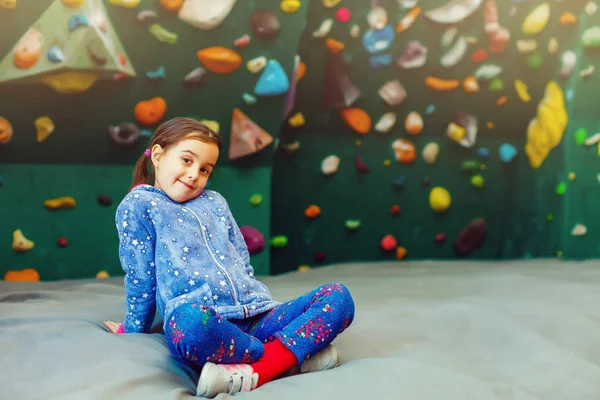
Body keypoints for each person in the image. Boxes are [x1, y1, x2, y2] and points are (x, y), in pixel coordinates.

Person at [103, 117, 355, 398]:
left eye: (205, 169)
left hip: (258, 316)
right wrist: (133, 327)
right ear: (159, 156)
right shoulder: (140, 205)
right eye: (187, 160)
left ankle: (260, 371)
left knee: (338, 297)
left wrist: (260, 306)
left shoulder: (216, 202)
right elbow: (141, 276)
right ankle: (286, 356)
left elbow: (242, 258)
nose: (194, 174)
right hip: (210, 323)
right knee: (187, 325)